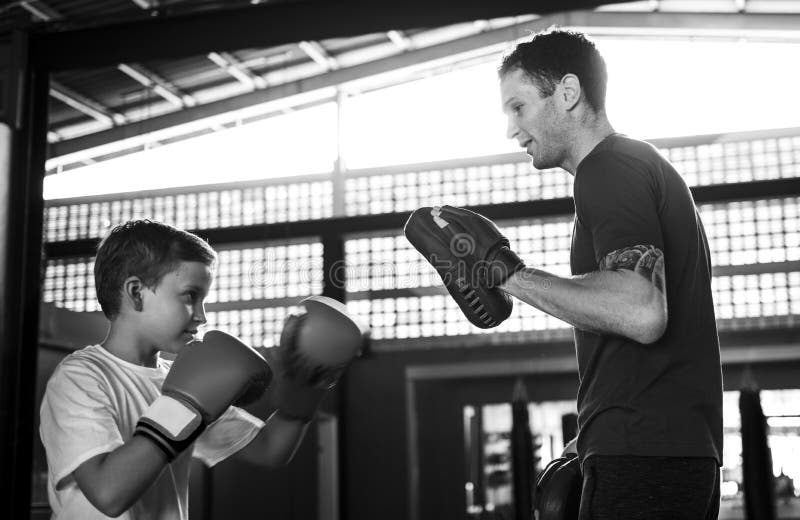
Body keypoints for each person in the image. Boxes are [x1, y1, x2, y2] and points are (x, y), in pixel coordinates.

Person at [405, 27, 722, 519]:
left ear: (568, 94)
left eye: (519, 107)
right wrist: (591, 435)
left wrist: (505, 274)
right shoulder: (634, 167)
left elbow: (641, 310)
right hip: (659, 451)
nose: (511, 129)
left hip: (644, 456)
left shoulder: (609, 168)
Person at [39, 220, 364, 519]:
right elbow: (107, 494)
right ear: (137, 292)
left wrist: (304, 386)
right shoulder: (80, 377)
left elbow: (270, 449)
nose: (201, 316)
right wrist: (186, 405)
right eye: (190, 296)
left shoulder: (181, 377)